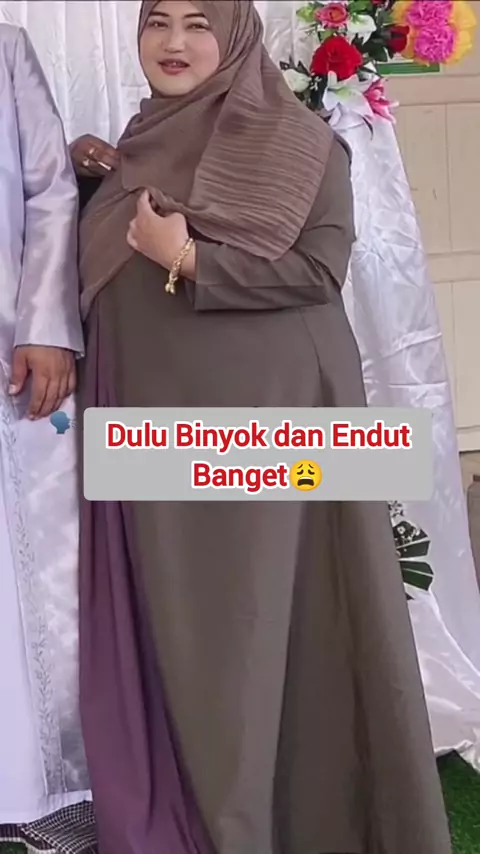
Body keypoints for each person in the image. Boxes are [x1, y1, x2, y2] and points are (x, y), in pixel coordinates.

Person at [77, 2, 452, 854]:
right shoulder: (137, 143)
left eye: (199, 23)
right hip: (152, 410)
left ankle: (294, 822)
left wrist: (187, 258)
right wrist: (92, 182)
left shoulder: (297, 139)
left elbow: (320, 267)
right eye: (157, 22)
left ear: (237, 35)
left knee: (270, 612)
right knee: (180, 617)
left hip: (275, 412)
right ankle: (190, 816)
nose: (174, 43)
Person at [0, 19, 90, 850]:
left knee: (31, 577)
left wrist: (48, 326)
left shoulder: (3, 49)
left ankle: (42, 794)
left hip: (11, 362)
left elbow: (52, 191)